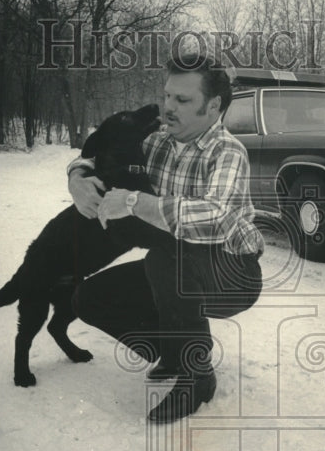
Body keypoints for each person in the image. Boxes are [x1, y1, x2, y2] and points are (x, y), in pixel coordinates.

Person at [67, 54, 264, 424]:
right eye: (167, 96)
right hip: (175, 264)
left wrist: (135, 201)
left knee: (164, 260)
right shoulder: (156, 142)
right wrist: (77, 178)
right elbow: (99, 151)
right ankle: (172, 350)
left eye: (183, 100)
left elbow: (217, 219)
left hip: (232, 272)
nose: (168, 108)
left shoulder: (227, 152)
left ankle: (196, 377)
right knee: (89, 298)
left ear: (214, 105)